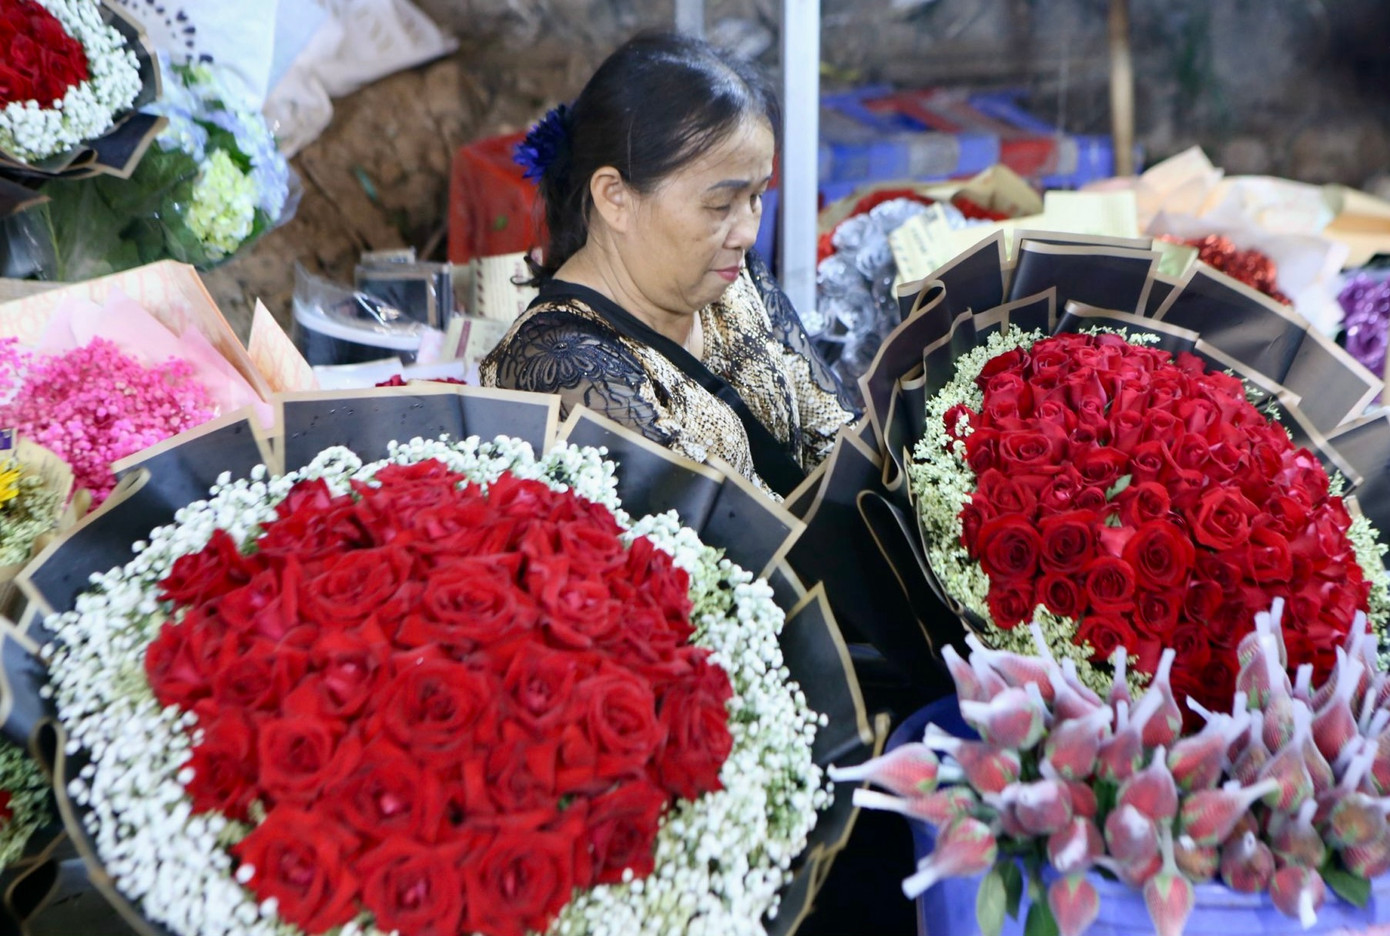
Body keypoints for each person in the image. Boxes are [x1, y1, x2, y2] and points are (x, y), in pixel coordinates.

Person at [480, 30, 856, 499]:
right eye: (720, 205)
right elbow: (729, 542)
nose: (747, 232)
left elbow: (837, 438)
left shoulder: (730, 277)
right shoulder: (562, 367)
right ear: (615, 197)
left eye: (756, 197)